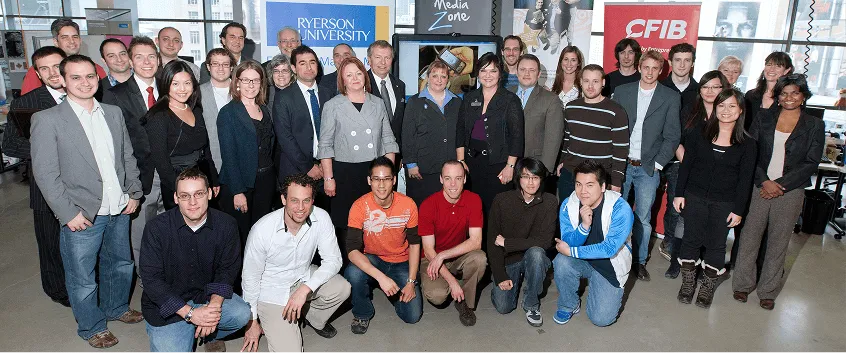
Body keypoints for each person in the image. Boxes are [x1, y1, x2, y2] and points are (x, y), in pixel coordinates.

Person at [30, 54, 144, 348]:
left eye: (90, 76)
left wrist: (133, 192)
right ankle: (92, 326)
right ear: (63, 81)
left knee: (120, 264)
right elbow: (45, 174)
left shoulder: (112, 113)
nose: (85, 82)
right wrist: (67, 213)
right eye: (76, 77)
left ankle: (116, 307)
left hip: (118, 206)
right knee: (82, 276)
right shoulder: (47, 120)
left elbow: (126, 155)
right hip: (81, 213)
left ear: (98, 78)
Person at [733, 74, 824, 310]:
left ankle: (768, 291)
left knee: (778, 242)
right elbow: (750, 151)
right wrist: (764, 181)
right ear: (778, 96)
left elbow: (811, 162)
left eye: (795, 93)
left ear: (803, 96)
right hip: (759, 186)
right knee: (749, 237)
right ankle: (742, 284)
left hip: (790, 191)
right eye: (784, 93)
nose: (789, 97)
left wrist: (779, 184)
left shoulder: (814, 125)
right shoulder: (764, 117)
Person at [140, 168, 249, 353]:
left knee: (241, 313)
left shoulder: (227, 225)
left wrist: (213, 309)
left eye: (199, 194)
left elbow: (227, 270)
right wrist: (191, 314)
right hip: (169, 308)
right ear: (176, 198)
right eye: (185, 196)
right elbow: (152, 280)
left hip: (205, 297)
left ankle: (209, 333)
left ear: (210, 193)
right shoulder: (156, 229)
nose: (192, 202)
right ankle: (190, 329)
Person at [241, 174, 350, 353]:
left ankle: (313, 317)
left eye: (306, 200)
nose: (300, 208)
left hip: (303, 278)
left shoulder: (321, 217)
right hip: (273, 292)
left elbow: (334, 260)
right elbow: (250, 278)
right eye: (294, 200)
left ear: (312, 200)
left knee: (342, 287)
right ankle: (282, 319)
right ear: (283, 199)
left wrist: (305, 289)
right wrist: (251, 321)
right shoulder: (262, 230)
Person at [673, 88, 756, 308]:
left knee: (717, 245)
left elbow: (745, 181)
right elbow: (686, 166)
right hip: (694, 196)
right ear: (715, 108)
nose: (726, 110)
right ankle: (688, 284)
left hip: (725, 203)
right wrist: (679, 193)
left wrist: (738, 210)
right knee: (690, 240)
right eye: (721, 105)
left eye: (732, 106)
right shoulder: (699, 133)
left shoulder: (748, 144)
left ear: (740, 110)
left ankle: (707, 287)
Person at [1, 46, 68, 306]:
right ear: (38, 74)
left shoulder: (85, 94)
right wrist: (49, 149)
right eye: (44, 69)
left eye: (57, 66)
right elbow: (10, 145)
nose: (52, 73)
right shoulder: (26, 103)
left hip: (85, 185)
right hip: (45, 186)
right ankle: (58, 291)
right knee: (51, 241)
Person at [612, 49, 681, 282]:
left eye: (655, 68)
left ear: (661, 71)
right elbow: (612, 126)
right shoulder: (622, 91)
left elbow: (672, 136)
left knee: (643, 218)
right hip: (621, 164)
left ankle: (639, 262)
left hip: (648, 167)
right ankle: (613, 256)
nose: (650, 72)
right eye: (646, 67)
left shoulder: (670, 97)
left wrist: (659, 164)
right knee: (615, 214)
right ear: (639, 67)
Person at [102, 35, 162, 275]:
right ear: (130, 60)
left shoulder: (170, 87)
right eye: (139, 57)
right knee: (141, 234)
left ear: (158, 59)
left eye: (151, 56)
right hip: (140, 176)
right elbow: (114, 144)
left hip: (171, 174)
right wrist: (128, 184)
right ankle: (147, 279)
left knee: (169, 228)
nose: (147, 62)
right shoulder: (115, 95)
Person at [663, 70, 731, 279]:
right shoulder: (689, 111)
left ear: (723, 89)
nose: (710, 91)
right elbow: (675, 139)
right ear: (699, 90)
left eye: (715, 87)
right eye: (705, 87)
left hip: (716, 176)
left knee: (708, 220)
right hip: (685, 169)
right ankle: (676, 261)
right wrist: (688, 163)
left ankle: (701, 263)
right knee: (681, 217)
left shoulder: (727, 113)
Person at [319, 56, 399, 232]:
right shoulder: (332, 105)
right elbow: (325, 145)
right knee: (347, 224)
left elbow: (388, 140)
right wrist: (328, 178)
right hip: (345, 172)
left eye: (358, 73)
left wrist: (388, 174)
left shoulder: (378, 103)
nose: (355, 78)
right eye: (349, 75)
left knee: (375, 223)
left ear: (365, 75)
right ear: (342, 80)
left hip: (373, 171)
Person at [344, 157, 422, 334]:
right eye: (376, 179)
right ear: (369, 181)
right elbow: (352, 251)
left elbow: (415, 245)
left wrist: (411, 282)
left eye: (386, 179)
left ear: (394, 180)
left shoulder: (408, 204)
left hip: (401, 261)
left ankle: (394, 292)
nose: (381, 185)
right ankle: (362, 312)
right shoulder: (359, 206)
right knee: (353, 272)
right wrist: (381, 278)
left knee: (412, 316)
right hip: (374, 259)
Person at [554, 160, 634, 327]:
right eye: (578, 184)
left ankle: (600, 287)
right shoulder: (569, 204)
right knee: (562, 261)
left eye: (589, 185)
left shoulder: (620, 208)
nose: (583, 191)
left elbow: (609, 248)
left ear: (603, 186)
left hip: (609, 265)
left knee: (601, 319)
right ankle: (569, 304)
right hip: (583, 260)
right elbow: (567, 241)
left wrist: (572, 252)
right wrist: (584, 227)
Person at [488, 158, 557, 327]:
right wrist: (499, 275)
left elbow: (545, 241)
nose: (531, 182)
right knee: (504, 307)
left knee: (537, 254)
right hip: (508, 260)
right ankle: (500, 284)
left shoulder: (549, 201)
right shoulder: (502, 200)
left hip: (531, 257)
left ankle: (531, 304)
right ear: (518, 178)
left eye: (535, 177)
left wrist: (508, 243)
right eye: (526, 177)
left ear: (541, 179)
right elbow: (492, 241)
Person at [418, 160, 486, 326]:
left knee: (479, 258)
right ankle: (437, 281)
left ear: (465, 179)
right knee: (437, 296)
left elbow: (476, 242)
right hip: (431, 258)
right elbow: (429, 250)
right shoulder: (428, 205)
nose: (453, 184)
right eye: (448, 178)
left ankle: (464, 302)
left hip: (456, 255)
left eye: (458, 178)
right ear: (441, 179)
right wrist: (452, 281)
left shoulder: (474, 199)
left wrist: (443, 255)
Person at [145, 60, 219, 210]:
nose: (182, 89)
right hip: (177, 182)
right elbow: (161, 163)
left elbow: (206, 149)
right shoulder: (158, 116)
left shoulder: (195, 109)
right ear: (166, 85)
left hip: (202, 177)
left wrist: (213, 179)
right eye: (175, 84)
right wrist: (182, 192)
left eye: (187, 83)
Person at [456, 52, 525, 214]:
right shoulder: (469, 98)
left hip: (499, 165)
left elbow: (517, 136)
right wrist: (460, 160)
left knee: (496, 211)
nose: (488, 75)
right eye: (483, 70)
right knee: (473, 210)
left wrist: (510, 166)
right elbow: (460, 130)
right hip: (471, 164)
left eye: (493, 71)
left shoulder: (510, 100)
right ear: (478, 73)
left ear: (500, 74)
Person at [217, 60, 276, 246]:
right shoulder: (228, 113)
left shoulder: (264, 109)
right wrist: (238, 191)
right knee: (241, 237)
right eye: (246, 80)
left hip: (265, 181)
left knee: (261, 236)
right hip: (241, 183)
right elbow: (229, 156)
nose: (251, 85)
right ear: (237, 82)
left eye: (256, 80)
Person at [557, 64, 629, 197]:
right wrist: (562, 161)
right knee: (566, 210)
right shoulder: (571, 107)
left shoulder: (616, 111)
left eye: (595, 81)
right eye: (586, 81)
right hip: (570, 174)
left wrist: (616, 180)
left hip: (599, 177)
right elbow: (567, 139)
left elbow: (621, 149)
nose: (590, 86)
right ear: (580, 82)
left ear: (603, 83)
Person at [657, 43, 699, 264]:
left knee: (676, 205)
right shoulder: (659, 87)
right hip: (656, 155)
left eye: (687, 60)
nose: (682, 65)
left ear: (692, 63)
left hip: (683, 160)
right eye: (678, 60)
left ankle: (669, 242)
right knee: (646, 204)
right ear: (670, 62)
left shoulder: (700, 92)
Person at [401, 60, 462, 205]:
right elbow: (407, 135)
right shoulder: (415, 102)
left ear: (448, 79)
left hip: (450, 169)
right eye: (435, 76)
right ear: (428, 77)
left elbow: (461, 134)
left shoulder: (457, 102)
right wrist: (411, 164)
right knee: (423, 208)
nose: (439, 80)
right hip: (422, 169)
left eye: (443, 76)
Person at [21, 18, 107, 95]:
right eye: (65, 37)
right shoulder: (40, 71)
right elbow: (28, 101)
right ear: (56, 42)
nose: (72, 41)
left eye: (75, 37)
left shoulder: (95, 68)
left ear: (80, 40)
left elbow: (105, 97)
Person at [367, 40, 407, 190]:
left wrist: (401, 154)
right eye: (378, 57)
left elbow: (400, 123)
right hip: (368, 157)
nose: (383, 62)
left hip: (393, 156)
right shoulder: (361, 83)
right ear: (369, 60)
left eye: (387, 57)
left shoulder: (399, 85)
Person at [199, 48, 236, 169]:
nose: (221, 68)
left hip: (241, 159)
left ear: (231, 67)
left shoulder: (243, 90)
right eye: (215, 64)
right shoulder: (198, 93)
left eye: (225, 64)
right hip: (212, 161)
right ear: (208, 67)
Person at [745, 52, 793, 130]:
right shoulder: (750, 95)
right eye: (769, 65)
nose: (771, 69)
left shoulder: (789, 99)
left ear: (786, 70)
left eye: (778, 66)